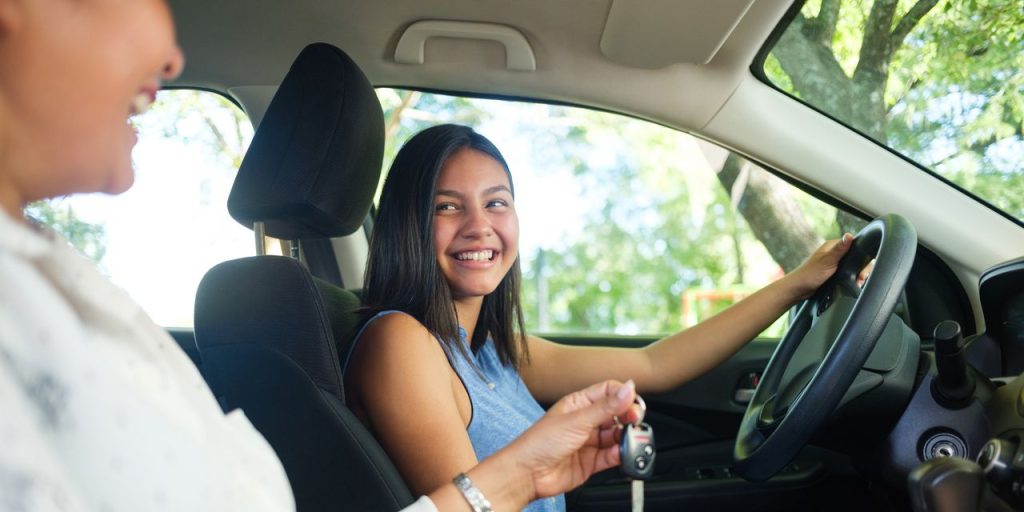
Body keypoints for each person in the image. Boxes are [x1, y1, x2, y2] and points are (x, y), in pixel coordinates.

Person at [0, 0, 647, 510]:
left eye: (497, 202)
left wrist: (524, 473)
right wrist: (518, 477)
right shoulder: (24, 311)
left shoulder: (54, 280)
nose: (171, 56)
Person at [345, 124, 855, 511]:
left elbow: (655, 365)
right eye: (447, 207)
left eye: (496, 203)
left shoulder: (494, 352)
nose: (480, 226)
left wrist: (797, 284)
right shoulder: (400, 341)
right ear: (408, 225)